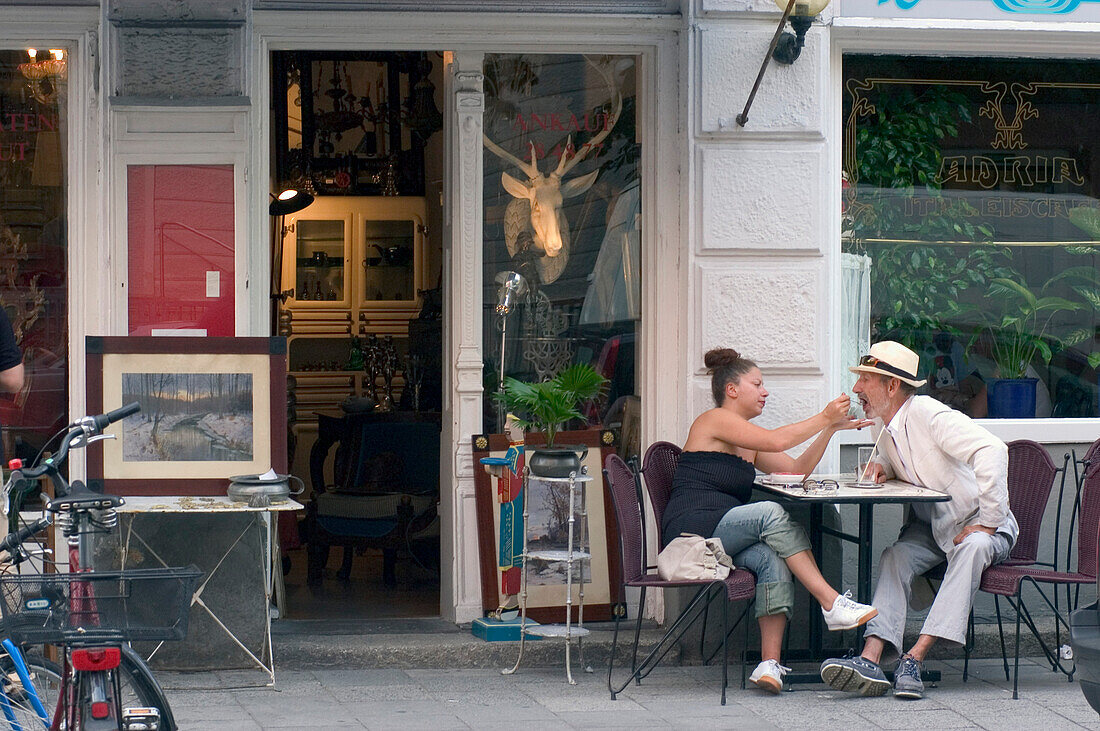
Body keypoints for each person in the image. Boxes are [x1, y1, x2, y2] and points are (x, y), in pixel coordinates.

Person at [661, 347, 878, 695]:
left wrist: (830, 430)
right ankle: (831, 602)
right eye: (757, 384)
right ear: (732, 390)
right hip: (693, 533)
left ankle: (769, 664)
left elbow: (795, 471)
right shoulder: (713, 420)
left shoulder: (747, 439)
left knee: (769, 556)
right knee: (771, 512)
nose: (765, 392)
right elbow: (777, 439)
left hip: (721, 535)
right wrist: (823, 416)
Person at [820, 340, 1018, 700]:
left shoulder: (928, 413)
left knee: (974, 546)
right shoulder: (883, 424)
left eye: (865, 379)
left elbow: (993, 449)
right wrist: (881, 465)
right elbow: (895, 455)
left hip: (979, 524)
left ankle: (913, 658)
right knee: (895, 556)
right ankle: (871, 657)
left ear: (892, 386)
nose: (856, 389)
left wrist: (989, 521)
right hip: (937, 530)